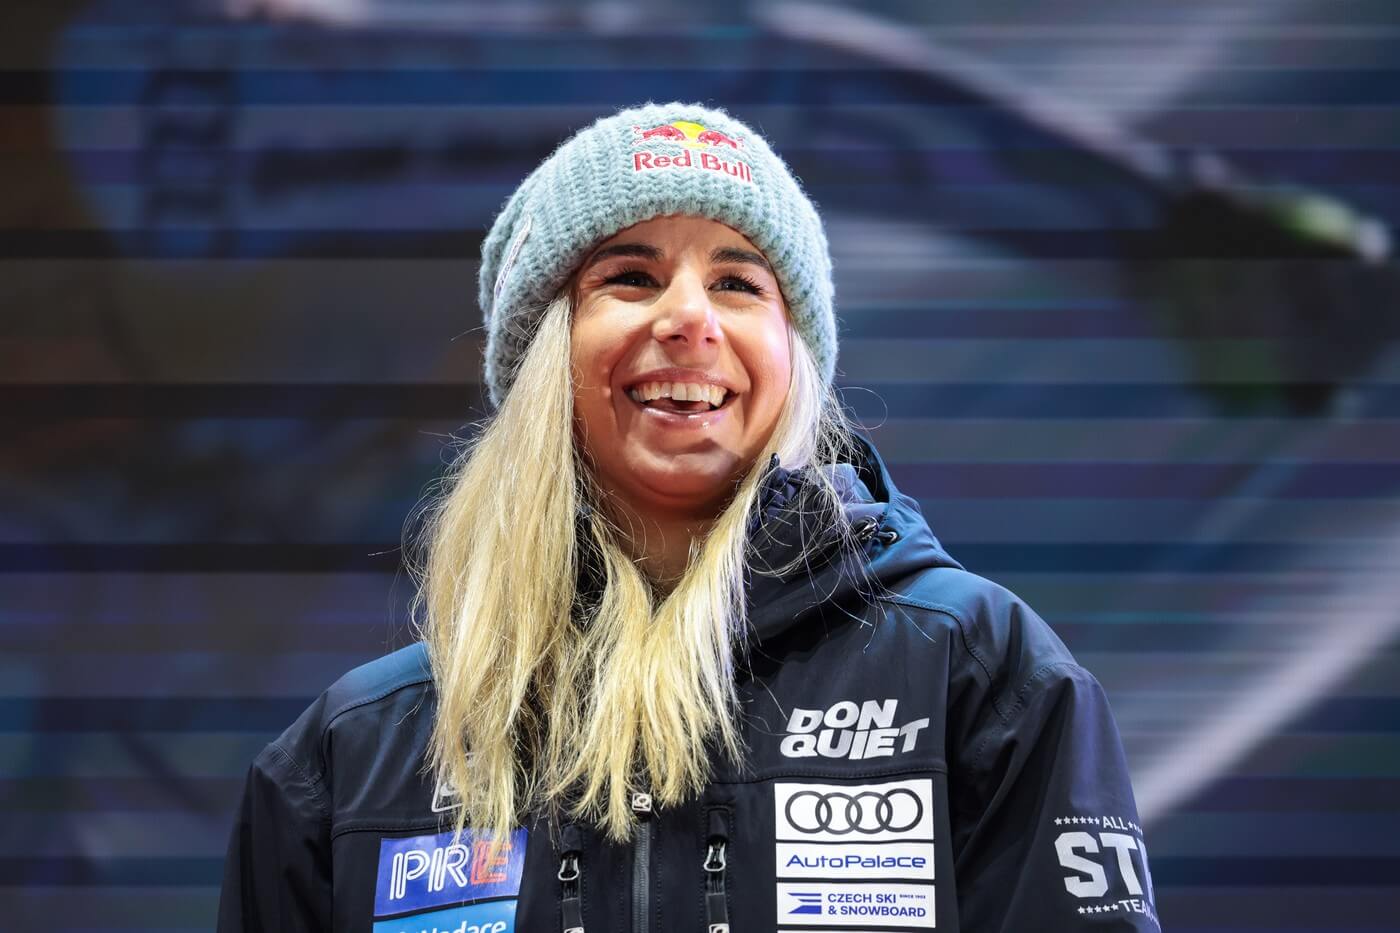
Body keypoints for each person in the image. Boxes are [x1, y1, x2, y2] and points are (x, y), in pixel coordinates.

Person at [216, 101, 1161, 933]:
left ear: (792, 357)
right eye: (631, 276)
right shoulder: (350, 755)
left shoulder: (976, 673)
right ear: (545, 356)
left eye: (739, 283)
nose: (689, 318)